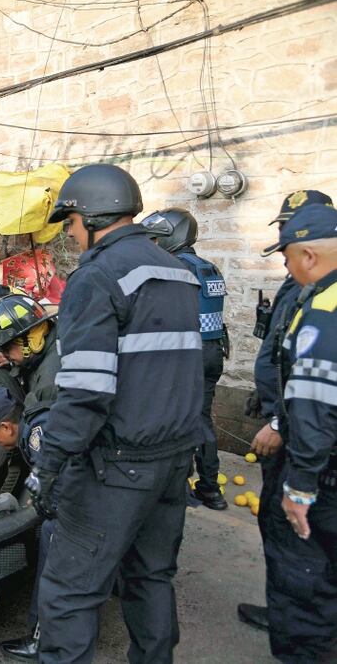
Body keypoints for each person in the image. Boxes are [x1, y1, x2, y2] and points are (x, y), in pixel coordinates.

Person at [26, 163, 204, 663]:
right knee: (150, 578)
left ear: (91, 216)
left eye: (71, 223)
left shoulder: (97, 276)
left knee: (68, 591)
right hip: (173, 459)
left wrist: (49, 464)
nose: (71, 234)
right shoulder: (178, 270)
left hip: (116, 464)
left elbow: (86, 392)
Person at [237, 189, 333, 631]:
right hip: (299, 430)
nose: (283, 249)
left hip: (304, 440)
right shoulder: (303, 285)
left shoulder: (320, 298)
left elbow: (313, 388)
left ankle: (296, 627)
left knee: (294, 537)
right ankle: (289, 614)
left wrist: (280, 423)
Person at [142, 208, 229, 510]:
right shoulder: (209, 268)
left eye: (156, 239)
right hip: (212, 352)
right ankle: (211, 488)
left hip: (184, 356)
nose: (152, 245)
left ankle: (177, 485)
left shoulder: (174, 268)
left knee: (173, 420)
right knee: (202, 420)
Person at [0, 385, 52, 661]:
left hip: (81, 514)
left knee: (52, 573)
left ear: (6, 426)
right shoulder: (34, 422)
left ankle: (44, 642)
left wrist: (42, 504)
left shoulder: (38, 436)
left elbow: (58, 478)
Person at [0, 290, 60, 410]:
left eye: (6, 347)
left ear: (27, 340)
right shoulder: (55, 340)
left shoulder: (47, 387)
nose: (4, 354)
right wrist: (15, 365)